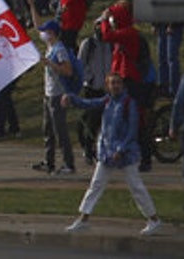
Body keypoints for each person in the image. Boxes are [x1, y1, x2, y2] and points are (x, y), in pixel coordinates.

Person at [63, 72, 165, 235]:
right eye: (112, 83)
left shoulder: (129, 104)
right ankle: (83, 218)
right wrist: (71, 98)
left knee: (136, 186)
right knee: (96, 185)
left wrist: (121, 149)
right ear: (107, 86)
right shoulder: (107, 100)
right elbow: (89, 103)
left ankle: (154, 219)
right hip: (106, 152)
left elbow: (132, 130)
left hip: (125, 154)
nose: (115, 86)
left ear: (122, 85)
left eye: (117, 83)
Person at [33, 19, 78, 176]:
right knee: (48, 130)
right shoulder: (50, 46)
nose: (43, 34)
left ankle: (69, 163)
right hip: (48, 94)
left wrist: (50, 64)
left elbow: (68, 71)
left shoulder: (59, 49)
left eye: (46, 32)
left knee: (60, 131)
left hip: (57, 95)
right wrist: (31, 5)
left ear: (52, 33)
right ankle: (49, 161)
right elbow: (36, 24)